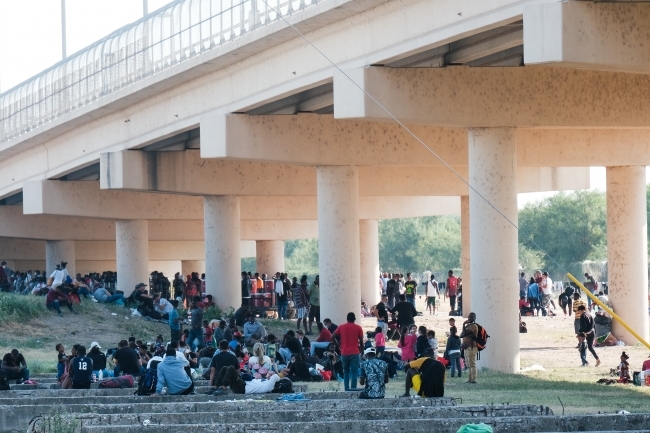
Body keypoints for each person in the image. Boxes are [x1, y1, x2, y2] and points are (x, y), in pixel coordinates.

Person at [331, 312, 364, 391]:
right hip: (355, 353)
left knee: (346, 372)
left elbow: (332, 337)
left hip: (344, 353)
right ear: (354, 319)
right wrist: (362, 352)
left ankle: (346, 389)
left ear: (347, 319)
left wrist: (338, 345)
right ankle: (353, 390)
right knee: (354, 373)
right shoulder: (358, 328)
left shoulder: (341, 327)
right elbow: (362, 341)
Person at [213, 365, 281, 395]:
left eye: (271, 374)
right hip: (242, 384)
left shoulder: (269, 386)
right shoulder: (265, 380)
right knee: (225, 368)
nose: (269, 374)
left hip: (242, 388)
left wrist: (275, 375)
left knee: (231, 368)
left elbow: (275, 376)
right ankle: (216, 387)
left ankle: (224, 387)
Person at [460, 312, 478, 384]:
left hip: (472, 347)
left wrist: (463, 324)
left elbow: (464, 334)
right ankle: (470, 379)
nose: (469, 318)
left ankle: (473, 379)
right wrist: (464, 325)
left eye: (471, 317)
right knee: (468, 364)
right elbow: (461, 335)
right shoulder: (468, 326)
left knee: (472, 364)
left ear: (474, 318)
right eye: (469, 317)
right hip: (467, 347)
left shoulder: (473, 326)